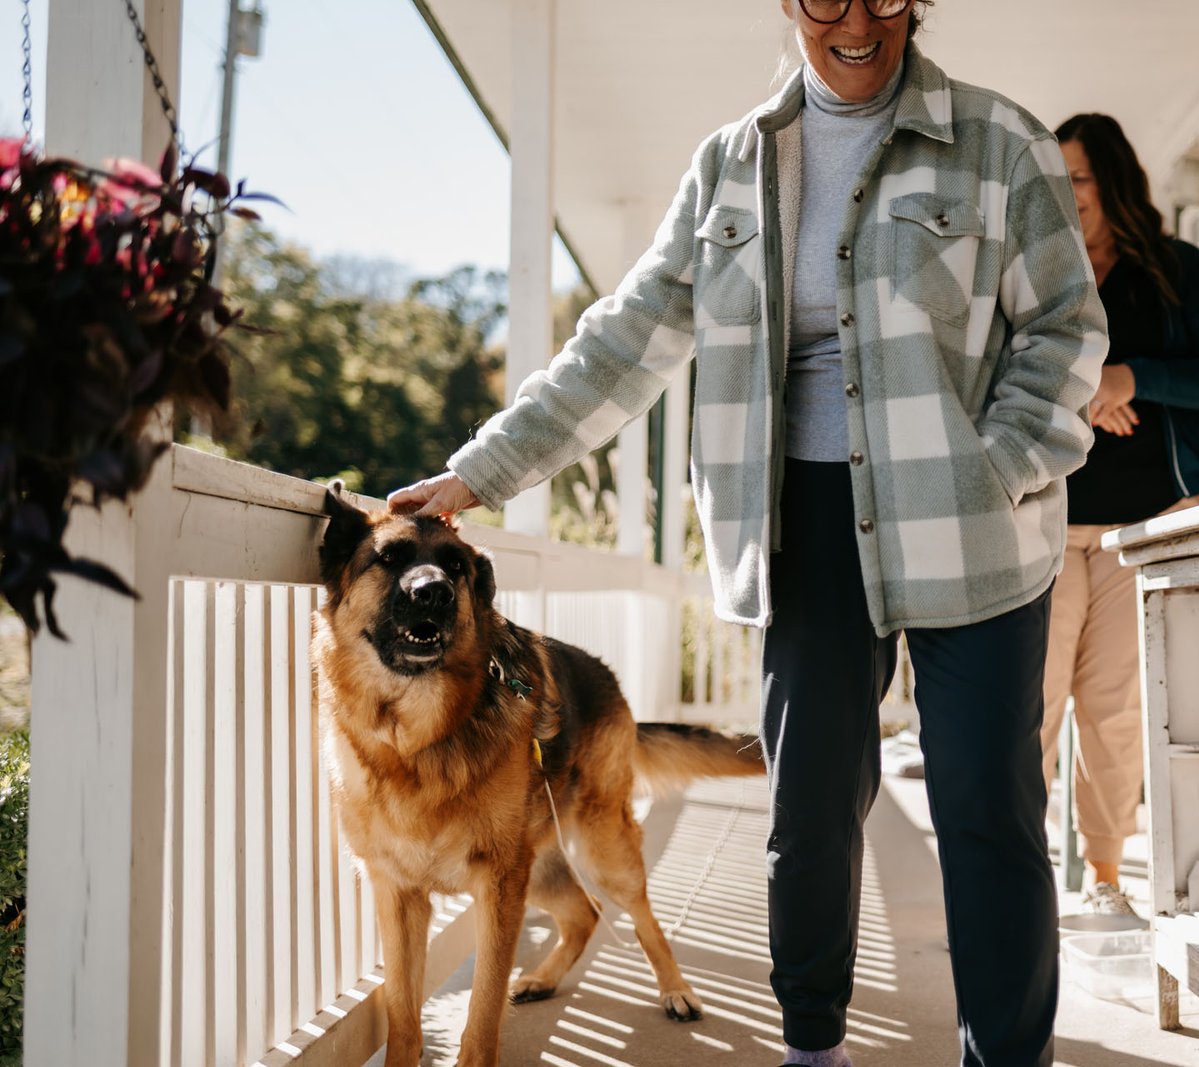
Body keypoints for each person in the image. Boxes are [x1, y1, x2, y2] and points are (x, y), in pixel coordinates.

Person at [389, 3, 1108, 1064]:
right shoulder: (732, 165)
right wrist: (481, 470)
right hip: (802, 524)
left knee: (985, 811)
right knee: (810, 809)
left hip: (973, 528)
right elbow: (622, 341)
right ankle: (813, 1046)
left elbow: (1064, 330)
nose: (854, 22)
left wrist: (993, 466)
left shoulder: (1000, 144)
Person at [1041, 113, 1199, 917]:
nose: (1067, 196)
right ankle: (1019, 883)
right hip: (1046, 529)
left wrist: (1134, 377)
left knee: (1115, 713)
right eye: (1056, 181)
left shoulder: (1176, 270)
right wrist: (1086, 394)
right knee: (1030, 706)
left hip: (1148, 530)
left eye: (1080, 179)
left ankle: (1101, 880)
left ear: (1116, 182)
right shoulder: (1040, 271)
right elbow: (1003, 374)